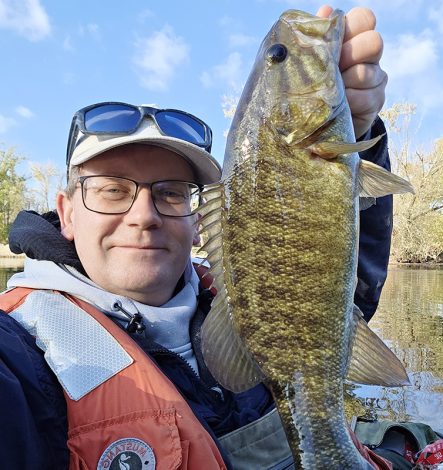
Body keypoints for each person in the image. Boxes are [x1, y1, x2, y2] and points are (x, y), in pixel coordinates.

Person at [0, 5, 394, 470]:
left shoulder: (235, 297)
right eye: (113, 191)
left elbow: (339, 296)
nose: (143, 216)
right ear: (67, 213)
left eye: (170, 193)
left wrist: (359, 141)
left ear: (198, 219)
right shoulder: (18, 353)